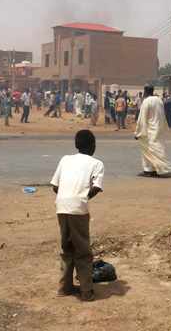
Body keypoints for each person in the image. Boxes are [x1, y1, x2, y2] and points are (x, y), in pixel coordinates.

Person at [50, 129, 103, 302]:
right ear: (93, 146)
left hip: (61, 206)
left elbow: (55, 186)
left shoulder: (65, 159)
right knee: (83, 251)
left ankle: (64, 288)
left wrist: (67, 195)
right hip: (78, 208)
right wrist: (83, 197)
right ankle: (87, 292)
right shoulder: (97, 163)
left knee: (67, 249)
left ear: (76, 145)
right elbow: (96, 187)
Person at [135, 85, 171, 176]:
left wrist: (138, 132)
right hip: (158, 129)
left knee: (148, 150)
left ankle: (148, 170)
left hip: (149, 130)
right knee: (157, 148)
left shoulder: (146, 101)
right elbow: (163, 115)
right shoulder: (159, 100)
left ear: (145, 91)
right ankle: (157, 169)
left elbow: (142, 118)